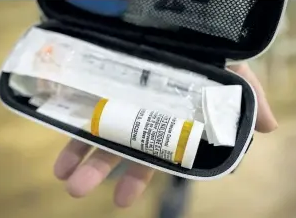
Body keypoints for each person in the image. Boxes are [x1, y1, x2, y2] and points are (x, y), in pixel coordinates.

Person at [53, 63, 278, 208]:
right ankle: (124, 154)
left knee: (187, 153)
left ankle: (179, 182)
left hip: (199, 67)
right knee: (129, 135)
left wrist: (227, 57)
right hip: (130, 49)